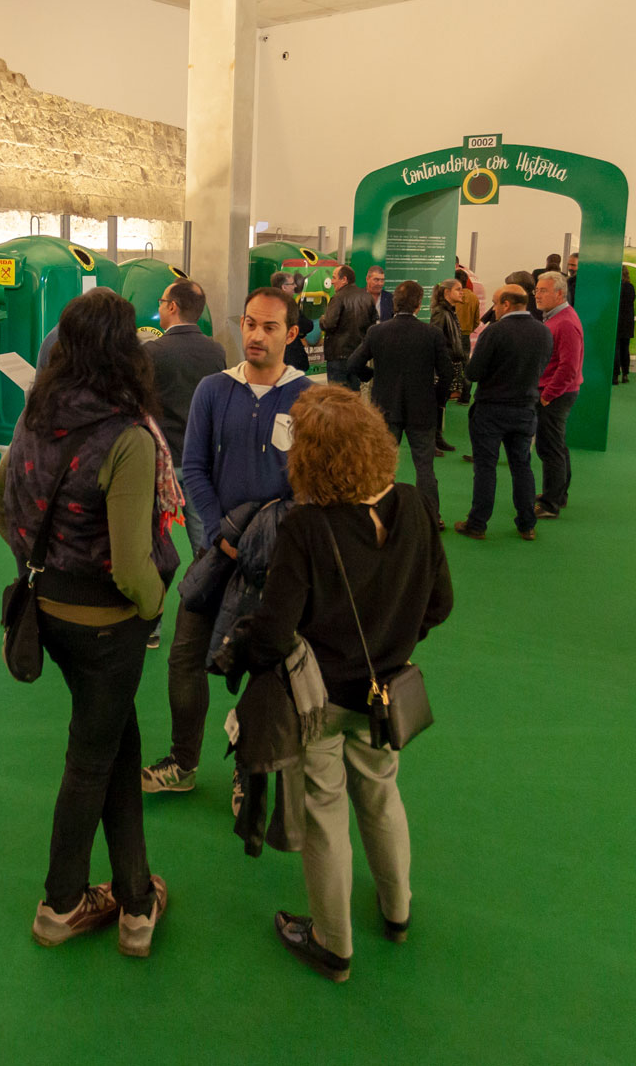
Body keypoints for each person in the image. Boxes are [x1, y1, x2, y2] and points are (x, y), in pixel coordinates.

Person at [227, 384, 453, 982]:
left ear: (308, 457)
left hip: (319, 703)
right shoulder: (415, 505)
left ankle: (332, 942)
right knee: (381, 795)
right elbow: (440, 605)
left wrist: (239, 649)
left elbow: (274, 635)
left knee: (326, 812)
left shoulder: (306, 529)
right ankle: (397, 909)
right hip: (387, 698)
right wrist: (392, 643)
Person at [0, 289, 180, 956]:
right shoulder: (127, 438)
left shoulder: (37, 418)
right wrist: (153, 607)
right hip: (109, 627)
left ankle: (135, 902)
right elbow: (131, 566)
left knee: (115, 742)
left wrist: (38, 560)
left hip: (49, 616)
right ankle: (61, 902)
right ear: (128, 351)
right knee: (91, 761)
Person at [143, 286, 313, 795]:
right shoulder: (213, 390)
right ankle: (183, 762)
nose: (256, 335)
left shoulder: (309, 397)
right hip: (218, 555)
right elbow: (193, 467)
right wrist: (220, 534)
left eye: (270, 327)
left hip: (278, 564)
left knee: (265, 671)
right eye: (250, 324)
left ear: (293, 334)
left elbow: (312, 481)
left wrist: (272, 537)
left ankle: (247, 776)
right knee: (184, 660)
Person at [348, 280, 454, 529]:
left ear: (395, 303)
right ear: (419, 305)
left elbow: (353, 365)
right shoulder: (432, 334)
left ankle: (376, 514)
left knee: (382, 467)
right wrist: (437, 398)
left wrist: (370, 377)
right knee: (425, 468)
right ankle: (431, 517)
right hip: (422, 409)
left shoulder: (377, 332)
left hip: (385, 408)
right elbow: (447, 374)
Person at [454, 286, 552, 541]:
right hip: (525, 410)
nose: (494, 309)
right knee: (522, 467)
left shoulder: (494, 332)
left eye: (496, 304)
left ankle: (477, 524)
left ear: (506, 304)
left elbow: (473, 373)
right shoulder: (543, 332)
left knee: (486, 468)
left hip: (491, 410)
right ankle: (527, 524)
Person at [145, 278, 226, 557]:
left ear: (173, 307)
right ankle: (201, 591)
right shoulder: (216, 351)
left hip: (161, 461)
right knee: (202, 540)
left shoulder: (152, 352)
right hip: (199, 461)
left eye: (162, 303)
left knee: (154, 536)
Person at [534, 270, 583, 519]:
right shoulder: (556, 317)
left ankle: (551, 503)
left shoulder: (564, 322)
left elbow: (569, 367)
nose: (538, 295)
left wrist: (548, 395)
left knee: (550, 448)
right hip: (555, 392)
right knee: (556, 446)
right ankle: (557, 494)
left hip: (555, 394)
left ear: (559, 293)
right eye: (537, 290)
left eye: (543, 291)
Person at [320, 265, 373, 392]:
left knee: (337, 399)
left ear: (344, 279)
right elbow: (372, 326)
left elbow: (329, 323)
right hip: (357, 356)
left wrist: (322, 319)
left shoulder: (338, 298)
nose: (332, 281)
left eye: (334, 278)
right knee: (354, 397)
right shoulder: (367, 297)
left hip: (337, 357)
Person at [429, 279, 468, 449]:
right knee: (437, 402)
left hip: (450, 363)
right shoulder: (441, 312)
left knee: (442, 402)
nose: (462, 292)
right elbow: (435, 340)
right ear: (446, 293)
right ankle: (432, 440)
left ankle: (437, 438)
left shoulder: (449, 312)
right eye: (458, 289)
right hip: (443, 365)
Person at [272, 272, 318, 372]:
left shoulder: (268, 303)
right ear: (284, 287)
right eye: (292, 284)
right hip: (290, 360)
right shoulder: (288, 304)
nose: (295, 286)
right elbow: (306, 325)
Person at [614, 269, 636, 384]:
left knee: (616, 349)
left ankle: (615, 376)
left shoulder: (615, 287)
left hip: (616, 321)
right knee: (625, 349)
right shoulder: (630, 287)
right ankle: (626, 374)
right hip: (627, 322)